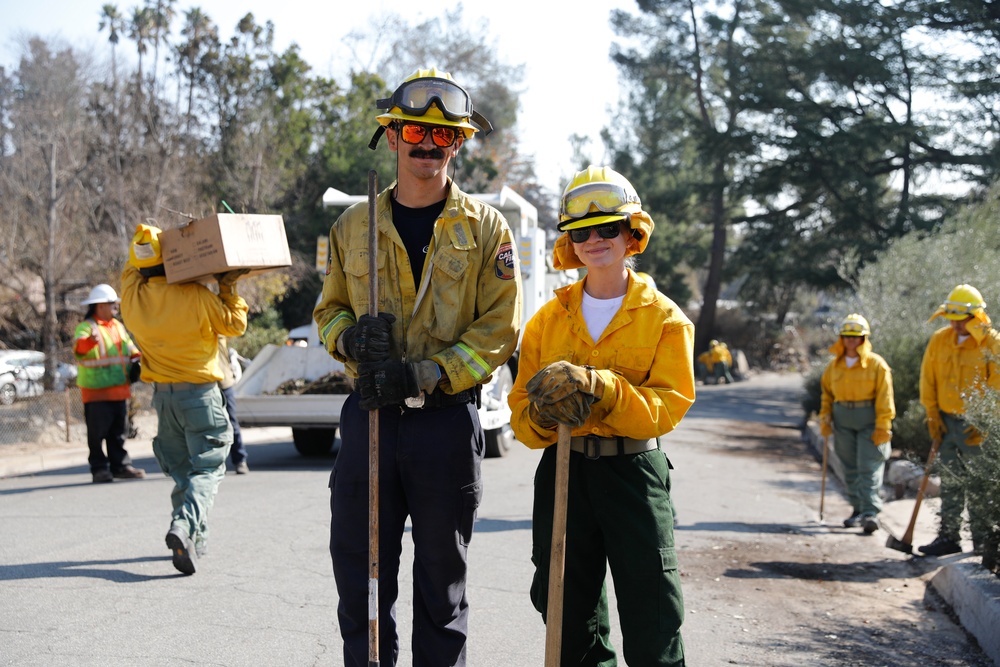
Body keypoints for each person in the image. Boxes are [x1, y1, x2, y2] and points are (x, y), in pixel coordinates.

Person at [313, 68, 521, 666]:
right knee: (363, 581)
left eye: (443, 136)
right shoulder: (352, 227)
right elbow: (328, 311)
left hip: (445, 428)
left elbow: (498, 331)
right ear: (394, 136)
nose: (427, 146)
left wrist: (426, 373)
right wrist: (351, 339)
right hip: (371, 421)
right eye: (415, 133)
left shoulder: (486, 230)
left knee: (441, 590)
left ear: (457, 144)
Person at [508, 165, 695, 666]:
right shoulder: (546, 321)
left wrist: (602, 387)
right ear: (570, 242)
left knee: (653, 616)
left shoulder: (666, 318)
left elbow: (667, 408)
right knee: (568, 618)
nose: (595, 240)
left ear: (632, 233)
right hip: (564, 472)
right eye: (582, 232)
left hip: (635, 475)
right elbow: (521, 418)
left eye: (608, 228)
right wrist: (546, 416)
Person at [120, 223, 249, 575]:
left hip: (164, 400)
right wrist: (228, 284)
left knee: (182, 473)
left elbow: (132, 268)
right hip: (201, 396)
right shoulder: (196, 296)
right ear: (172, 260)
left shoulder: (131, 300)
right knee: (208, 467)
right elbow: (235, 325)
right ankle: (183, 525)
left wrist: (152, 248)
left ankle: (193, 537)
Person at [918, 284, 1000, 556]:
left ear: (975, 316)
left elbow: (997, 388)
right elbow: (928, 379)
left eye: (960, 318)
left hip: (979, 429)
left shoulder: (992, 343)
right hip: (946, 422)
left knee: (980, 486)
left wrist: (985, 423)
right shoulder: (940, 340)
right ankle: (948, 537)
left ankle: (982, 545)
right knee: (951, 482)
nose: (954, 324)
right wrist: (932, 413)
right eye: (951, 318)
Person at [818, 313, 895, 534]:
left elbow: (885, 397)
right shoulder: (834, 366)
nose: (851, 340)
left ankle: (870, 512)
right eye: (847, 336)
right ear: (841, 338)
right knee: (849, 466)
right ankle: (857, 509)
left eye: (856, 336)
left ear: (864, 338)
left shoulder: (876, 364)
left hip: (869, 421)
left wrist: (883, 425)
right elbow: (826, 395)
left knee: (868, 466)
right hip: (842, 421)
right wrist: (825, 418)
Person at [73, 283, 145, 484]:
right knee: (97, 435)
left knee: (118, 433)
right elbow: (79, 349)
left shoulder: (117, 326)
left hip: (119, 390)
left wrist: (138, 359)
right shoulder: (86, 327)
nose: (115, 308)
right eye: (112, 304)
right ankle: (99, 469)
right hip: (96, 392)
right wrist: (90, 342)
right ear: (100, 306)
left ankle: (120, 467)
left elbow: (130, 349)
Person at [218, 336, 249, 474]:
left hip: (224, 382)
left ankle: (240, 460)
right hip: (203, 385)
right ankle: (215, 463)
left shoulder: (218, 328)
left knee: (231, 422)